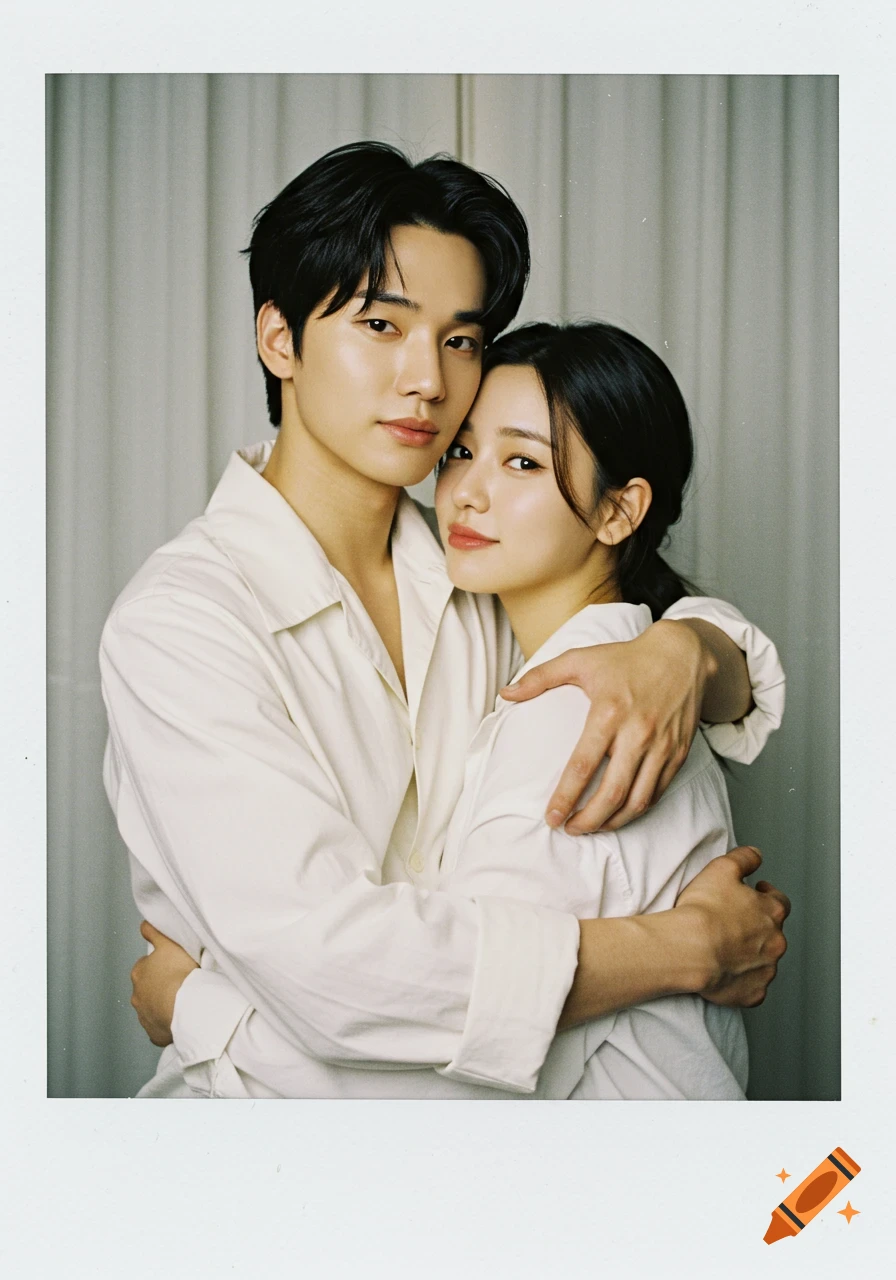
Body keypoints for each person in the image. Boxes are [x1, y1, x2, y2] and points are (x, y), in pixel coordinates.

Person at [104, 142, 788, 1099]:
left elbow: (622, 595)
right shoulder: (184, 624)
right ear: (280, 340)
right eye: (382, 325)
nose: (427, 379)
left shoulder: (482, 572)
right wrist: (681, 949)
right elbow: (339, 979)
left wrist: (689, 648)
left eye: (460, 340)